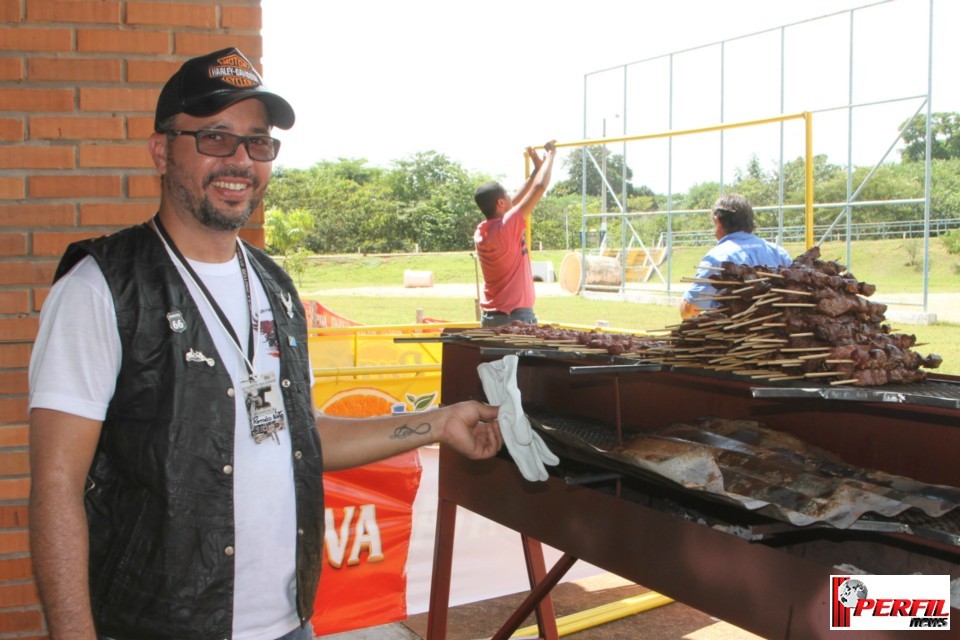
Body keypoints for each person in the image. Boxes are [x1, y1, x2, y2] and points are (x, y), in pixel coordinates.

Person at [27, 47, 502, 640]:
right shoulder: (103, 288)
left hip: (288, 625)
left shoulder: (274, 284)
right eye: (216, 138)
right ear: (161, 150)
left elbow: (298, 436)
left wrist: (440, 422)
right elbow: (55, 487)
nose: (240, 161)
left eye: (258, 142)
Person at [473, 140, 558, 328]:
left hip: (491, 318)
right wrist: (551, 155)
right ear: (501, 203)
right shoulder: (507, 227)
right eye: (507, 196)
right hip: (515, 318)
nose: (512, 198)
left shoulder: (482, 231)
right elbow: (540, 188)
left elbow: (516, 201)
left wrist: (536, 170)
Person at [679, 193, 793, 319]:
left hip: (731, 337)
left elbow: (690, 309)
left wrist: (684, 306)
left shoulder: (717, 258)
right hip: (777, 336)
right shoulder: (779, 253)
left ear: (717, 220)